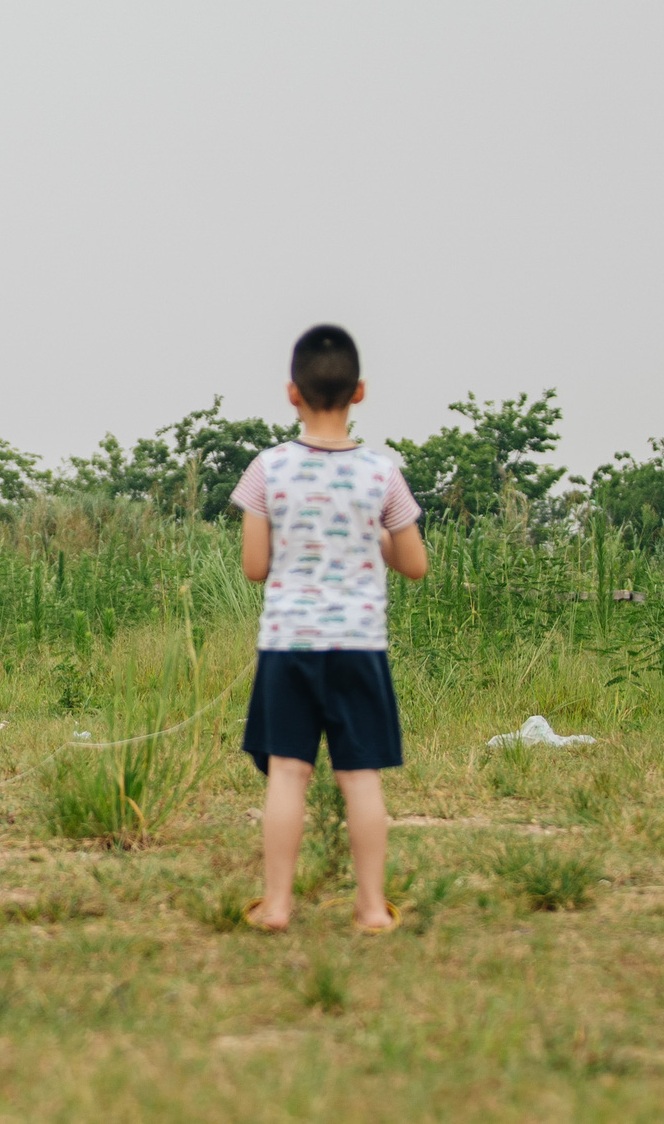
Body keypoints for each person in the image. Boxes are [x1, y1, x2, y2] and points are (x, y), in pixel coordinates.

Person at [230, 325, 428, 934]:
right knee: (359, 776)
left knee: (288, 772)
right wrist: (375, 537)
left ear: (292, 393)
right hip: (359, 646)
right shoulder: (381, 473)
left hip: (289, 644)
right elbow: (415, 564)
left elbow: (255, 568)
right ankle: (371, 908)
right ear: (359, 392)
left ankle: (277, 906)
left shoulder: (268, 470)